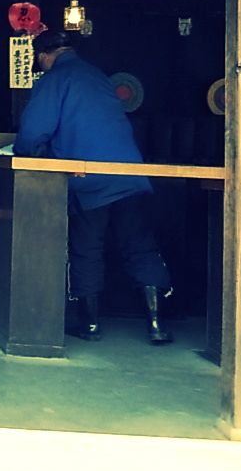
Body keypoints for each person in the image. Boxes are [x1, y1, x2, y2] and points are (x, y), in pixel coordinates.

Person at [13, 28, 173, 344]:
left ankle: (89, 325)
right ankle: (157, 325)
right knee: (140, 246)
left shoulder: (54, 80)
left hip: (90, 180)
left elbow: (32, 133)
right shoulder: (98, 77)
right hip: (131, 176)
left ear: (44, 56)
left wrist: (26, 152)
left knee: (86, 248)